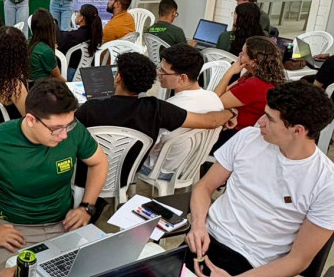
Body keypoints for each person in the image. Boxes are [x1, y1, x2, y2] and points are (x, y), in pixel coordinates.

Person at [186, 81, 334, 277]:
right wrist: (198, 224)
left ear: (297, 130)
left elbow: (298, 261)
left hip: (254, 269)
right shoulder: (248, 138)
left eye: (270, 119)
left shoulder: (328, 187)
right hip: (206, 242)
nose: (260, 122)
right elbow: (204, 187)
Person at [0, 78, 108, 276]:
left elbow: (99, 162)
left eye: (68, 125)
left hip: (62, 223)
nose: (64, 135)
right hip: (11, 228)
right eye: (56, 129)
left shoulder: (74, 131)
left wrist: (86, 207)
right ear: (31, 120)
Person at [75, 51, 233, 185]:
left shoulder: (90, 108)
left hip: (88, 175)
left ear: (118, 78)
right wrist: (231, 113)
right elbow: (210, 121)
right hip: (130, 172)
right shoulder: (158, 109)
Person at [141, 45, 228, 179]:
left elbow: (146, 148)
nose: (159, 74)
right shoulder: (215, 100)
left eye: (163, 72)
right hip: (190, 169)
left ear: (182, 78)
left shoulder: (169, 109)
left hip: (159, 171)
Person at [212, 35, 287, 150]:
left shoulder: (254, 85)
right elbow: (226, 93)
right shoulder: (261, 77)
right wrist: (231, 110)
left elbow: (215, 101)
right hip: (244, 132)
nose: (239, 56)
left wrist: (229, 72)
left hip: (236, 137)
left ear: (254, 62)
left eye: (243, 54)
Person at [58, 3, 103, 80]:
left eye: (77, 13)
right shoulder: (97, 35)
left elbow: (60, 55)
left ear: (81, 18)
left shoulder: (72, 36)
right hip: (89, 74)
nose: (76, 15)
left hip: (71, 74)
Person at [28, 9, 63, 82]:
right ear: (50, 27)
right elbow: (58, 77)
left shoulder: (28, 42)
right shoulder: (45, 50)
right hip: (42, 88)